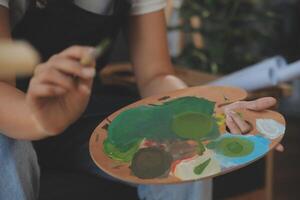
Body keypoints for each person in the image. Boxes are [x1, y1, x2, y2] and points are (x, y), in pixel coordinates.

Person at [0, 0, 282, 199]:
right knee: (10, 144)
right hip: (12, 111)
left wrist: (203, 109)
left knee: (180, 142)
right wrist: (40, 118)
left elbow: (155, 74)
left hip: (79, 109)